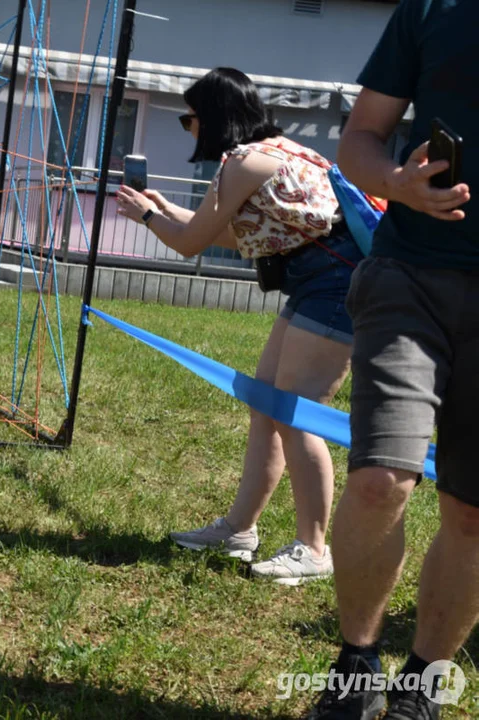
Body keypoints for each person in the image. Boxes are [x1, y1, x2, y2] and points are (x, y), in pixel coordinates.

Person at [114, 68, 363, 585]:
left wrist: (142, 217)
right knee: (267, 402)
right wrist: (161, 207)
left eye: (189, 118)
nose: (188, 128)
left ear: (213, 118)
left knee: (297, 413)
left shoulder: (242, 164)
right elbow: (231, 232)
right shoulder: (283, 151)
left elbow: (190, 244)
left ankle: (313, 548)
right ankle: (238, 529)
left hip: (334, 289)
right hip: (326, 282)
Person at [305, 3, 476, 718]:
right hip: (409, 275)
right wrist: (395, 182)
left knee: (471, 515)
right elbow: (359, 140)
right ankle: (355, 666)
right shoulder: (431, 10)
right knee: (379, 481)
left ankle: (421, 685)